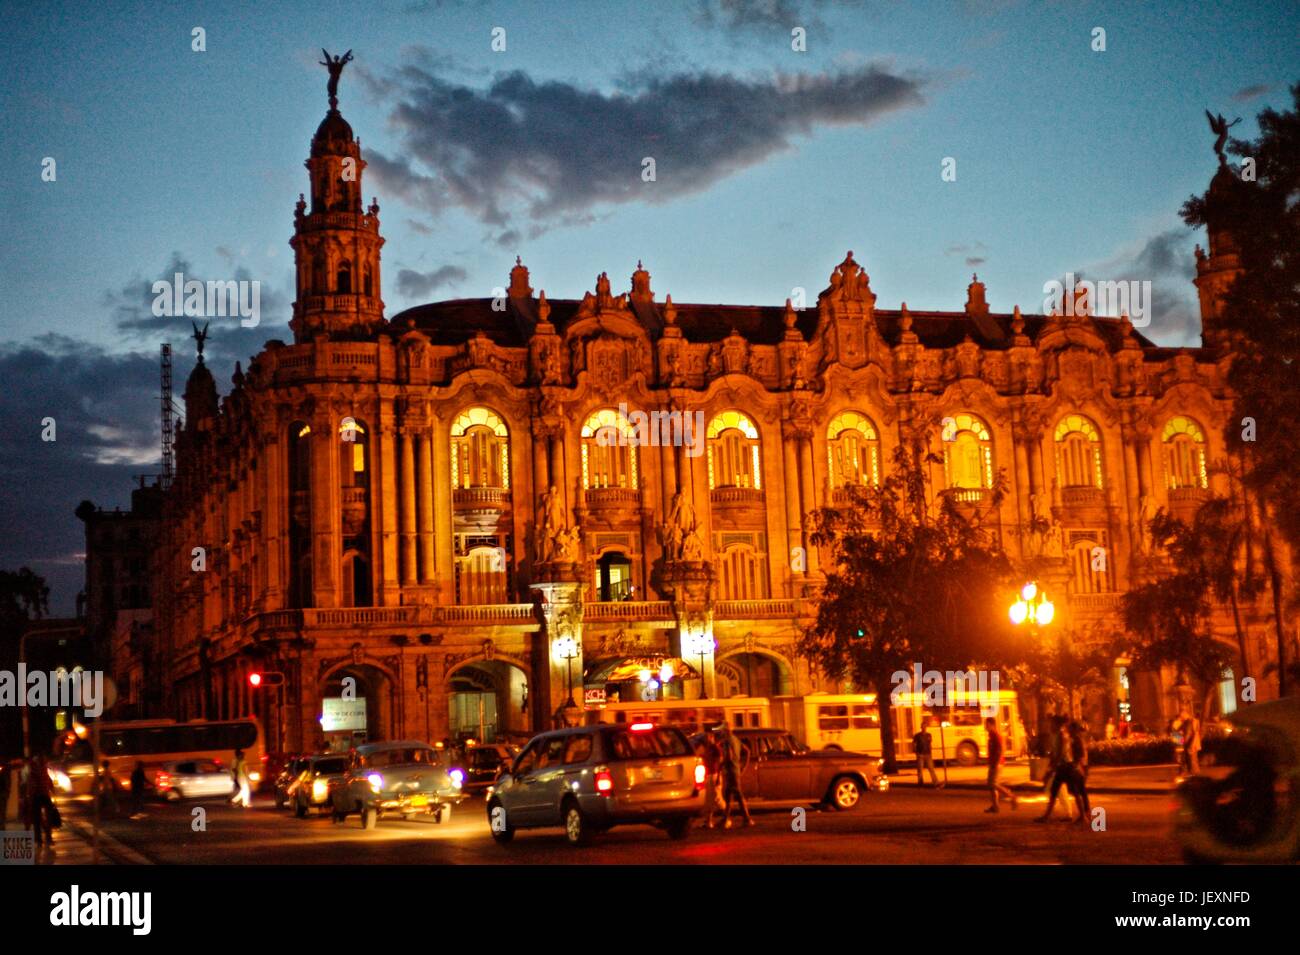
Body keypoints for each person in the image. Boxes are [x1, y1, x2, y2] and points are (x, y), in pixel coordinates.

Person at [1035, 716, 1076, 822]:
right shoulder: (1055, 735)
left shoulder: (1061, 735)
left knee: (1053, 790)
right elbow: (1054, 752)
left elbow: (1060, 752)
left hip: (1064, 765)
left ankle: (1049, 815)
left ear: (1057, 725)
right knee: (1059, 790)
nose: (1049, 725)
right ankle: (1068, 814)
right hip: (1061, 765)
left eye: (1051, 723)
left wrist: (1053, 767)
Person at [717, 723, 753, 828]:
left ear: (726, 731)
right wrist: (744, 766)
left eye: (723, 730)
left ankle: (747, 819)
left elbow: (729, 756)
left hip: (730, 771)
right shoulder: (736, 739)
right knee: (729, 795)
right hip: (736, 769)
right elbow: (747, 751)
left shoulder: (727, 741)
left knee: (738, 794)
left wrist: (721, 765)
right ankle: (725, 819)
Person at [984, 717, 1017, 812]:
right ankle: (995, 806)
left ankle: (1012, 796)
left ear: (991, 725)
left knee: (993, 784)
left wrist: (997, 762)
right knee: (991, 784)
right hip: (993, 763)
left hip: (997, 763)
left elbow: (1001, 749)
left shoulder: (996, 735)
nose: (985, 727)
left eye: (987, 725)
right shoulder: (991, 735)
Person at [26, 756, 56, 846]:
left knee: (38, 818)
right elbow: (33, 783)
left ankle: (42, 839)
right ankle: (44, 838)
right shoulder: (37, 770)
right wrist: (51, 789)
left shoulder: (38, 769)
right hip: (40, 795)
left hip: (40, 795)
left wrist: (51, 788)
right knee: (41, 818)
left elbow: (47, 780)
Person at [699, 728, 725, 828]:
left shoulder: (715, 748)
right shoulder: (707, 748)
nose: (707, 739)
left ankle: (726, 817)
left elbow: (720, 762)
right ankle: (708, 821)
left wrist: (718, 776)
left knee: (717, 798)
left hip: (714, 775)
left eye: (708, 737)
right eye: (706, 737)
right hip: (708, 775)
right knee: (708, 800)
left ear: (712, 737)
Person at [1067, 720, 1091, 824]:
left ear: (1073, 730)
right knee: (1081, 791)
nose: (1068, 731)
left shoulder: (1077, 740)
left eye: (1070, 729)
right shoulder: (1077, 739)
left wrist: (1078, 766)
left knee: (1077, 791)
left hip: (1079, 767)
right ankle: (1086, 813)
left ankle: (1084, 815)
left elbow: (1081, 755)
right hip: (1081, 766)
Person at [913, 717, 941, 788]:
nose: (924, 727)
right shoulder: (917, 735)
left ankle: (936, 783)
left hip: (928, 754)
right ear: (921, 727)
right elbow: (914, 744)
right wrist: (916, 753)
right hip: (920, 754)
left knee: (931, 769)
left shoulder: (929, 735)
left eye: (925, 726)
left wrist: (931, 752)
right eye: (923, 726)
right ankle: (920, 783)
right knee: (920, 770)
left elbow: (930, 744)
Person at [1177, 709, 1202, 775]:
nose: (1180, 717)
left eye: (1181, 716)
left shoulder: (1191, 722)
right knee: (1187, 760)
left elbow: (1188, 734)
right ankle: (1189, 774)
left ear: (1185, 714)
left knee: (1192, 761)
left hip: (1192, 744)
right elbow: (1177, 731)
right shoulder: (1185, 722)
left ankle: (1195, 775)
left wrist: (1182, 742)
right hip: (1188, 744)